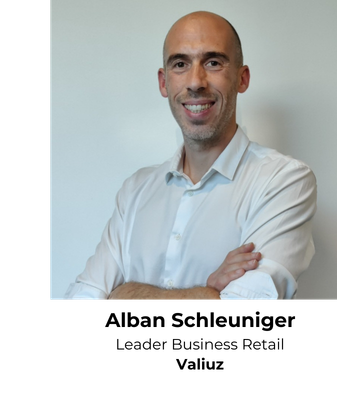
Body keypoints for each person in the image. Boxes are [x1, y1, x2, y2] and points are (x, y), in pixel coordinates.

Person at [64, 11, 317, 301]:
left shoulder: (284, 181)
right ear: (164, 83)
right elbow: (80, 296)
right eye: (180, 64)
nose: (196, 82)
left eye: (213, 62)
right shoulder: (135, 191)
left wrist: (123, 293)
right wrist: (208, 292)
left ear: (242, 78)